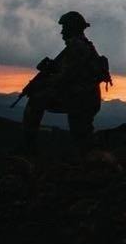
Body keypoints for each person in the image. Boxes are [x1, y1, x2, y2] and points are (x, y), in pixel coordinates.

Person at [21, 11, 107, 151]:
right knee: (82, 140)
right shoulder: (80, 46)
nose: (62, 32)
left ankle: (27, 147)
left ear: (72, 28)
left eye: (64, 27)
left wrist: (39, 84)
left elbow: (64, 78)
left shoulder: (77, 47)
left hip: (81, 100)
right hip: (84, 98)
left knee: (36, 100)